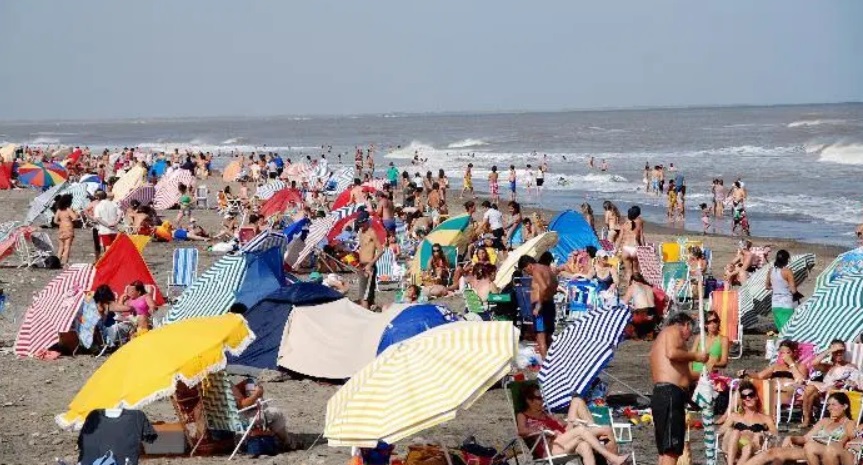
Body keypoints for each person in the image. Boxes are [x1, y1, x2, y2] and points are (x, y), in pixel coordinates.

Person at [515, 384, 631, 465]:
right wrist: (541, 429)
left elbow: (562, 425)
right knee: (581, 430)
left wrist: (564, 422)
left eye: (542, 397)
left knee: (599, 434)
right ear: (529, 400)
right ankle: (612, 458)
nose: (542, 400)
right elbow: (521, 431)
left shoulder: (544, 413)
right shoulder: (523, 415)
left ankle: (614, 460)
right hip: (552, 447)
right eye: (539, 398)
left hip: (565, 439)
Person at [650, 312, 708, 465]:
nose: (688, 339)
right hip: (669, 393)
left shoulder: (663, 338)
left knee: (666, 450)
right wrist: (696, 356)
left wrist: (706, 375)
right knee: (671, 450)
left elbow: (685, 375)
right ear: (686, 325)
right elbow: (672, 353)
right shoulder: (673, 330)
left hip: (666, 394)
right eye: (690, 333)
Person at [742, 339, 807, 419]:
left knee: (775, 392)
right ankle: (730, 413)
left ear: (794, 353)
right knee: (745, 387)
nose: (784, 355)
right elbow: (759, 376)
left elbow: (800, 380)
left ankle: (767, 417)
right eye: (782, 353)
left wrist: (791, 364)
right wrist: (745, 372)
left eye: (788, 352)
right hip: (770, 391)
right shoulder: (775, 366)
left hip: (787, 392)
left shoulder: (800, 366)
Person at [801, 340, 861, 427]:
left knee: (830, 388)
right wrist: (829, 350)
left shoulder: (850, 366)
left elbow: (856, 382)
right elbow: (814, 363)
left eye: (841, 351)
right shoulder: (828, 366)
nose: (839, 353)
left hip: (840, 393)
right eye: (836, 351)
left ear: (844, 351)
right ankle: (807, 419)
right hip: (824, 395)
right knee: (810, 388)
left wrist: (850, 383)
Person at [717, 380, 777, 465]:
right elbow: (721, 431)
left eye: (751, 395)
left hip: (753, 447)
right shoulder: (734, 416)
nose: (748, 398)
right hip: (733, 446)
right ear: (742, 400)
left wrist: (763, 433)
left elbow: (775, 433)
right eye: (744, 396)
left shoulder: (765, 418)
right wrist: (714, 434)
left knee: (748, 447)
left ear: (756, 397)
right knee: (735, 432)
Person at [231, 378, 291, 449]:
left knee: (250, 383)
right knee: (276, 413)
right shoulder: (227, 385)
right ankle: (287, 443)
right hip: (242, 418)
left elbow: (236, 396)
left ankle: (280, 440)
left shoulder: (221, 386)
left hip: (232, 417)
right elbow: (243, 405)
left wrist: (245, 383)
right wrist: (257, 394)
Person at [518, 255, 558, 359]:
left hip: (540, 307)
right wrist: (548, 296)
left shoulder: (536, 270)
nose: (527, 273)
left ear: (529, 265)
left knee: (541, 337)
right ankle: (551, 361)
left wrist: (539, 305)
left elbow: (544, 287)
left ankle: (545, 364)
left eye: (525, 270)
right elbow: (555, 285)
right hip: (549, 303)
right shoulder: (548, 269)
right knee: (548, 336)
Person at [765, 249, 800, 332]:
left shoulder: (771, 270)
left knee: (781, 329)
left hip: (775, 302)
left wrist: (776, 288)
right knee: (788, 328)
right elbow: (793, 290)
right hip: (786, 302)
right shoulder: (788, 271)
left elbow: (767, 286)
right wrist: (797, 296)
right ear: (786, 259)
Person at [355, 211, 383, 309]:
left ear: (367, 221)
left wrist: (370, 264)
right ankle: (372, 312)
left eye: (362, 223)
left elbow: (381, 251)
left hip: (369, 266)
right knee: (365, 295)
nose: (360, 226)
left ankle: (365, 315)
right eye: (359, 224)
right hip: (362, 265)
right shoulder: (361, 232)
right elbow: (363, 249)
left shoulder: (372, 233)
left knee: (364, 296)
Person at [690, 310, 730, 377]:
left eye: (715, 321)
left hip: (710, 375)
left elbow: (724, 362)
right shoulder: (699, 337)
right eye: (709, 322)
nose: (713, 324)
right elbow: (691, 357)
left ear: (718, 322)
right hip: (695, 373)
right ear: (705, 325)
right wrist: (689, 373)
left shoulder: (723, 340)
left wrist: (713, 364)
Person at [621, 273, 657, 340]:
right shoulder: (648, 287)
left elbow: (624, 303)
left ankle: (635, 334)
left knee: (625, 314)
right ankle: (648, 333)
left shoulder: (633, 286)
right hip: (653, 314)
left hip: (641, 314)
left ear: (633, 281)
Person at [616, 206, 644, 283]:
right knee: (636, 271)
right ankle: (636, 286)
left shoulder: (624, 224)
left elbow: (620, 238)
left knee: (628, 272)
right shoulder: (640, 222)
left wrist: (616, 249)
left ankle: (629, 286)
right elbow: (641, 237)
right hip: (635, 248)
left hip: (626, 249)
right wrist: (643, 247)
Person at [53, 194, 79, 266]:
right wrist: (75, 214)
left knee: (61, 246)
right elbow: (75, 218)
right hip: (68, 227)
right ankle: (65, 262)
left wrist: (61, 223)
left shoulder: (59, 210)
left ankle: (57, 262)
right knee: (67, 246)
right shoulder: (68, 209)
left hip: (61, 227)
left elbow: (55, 221)